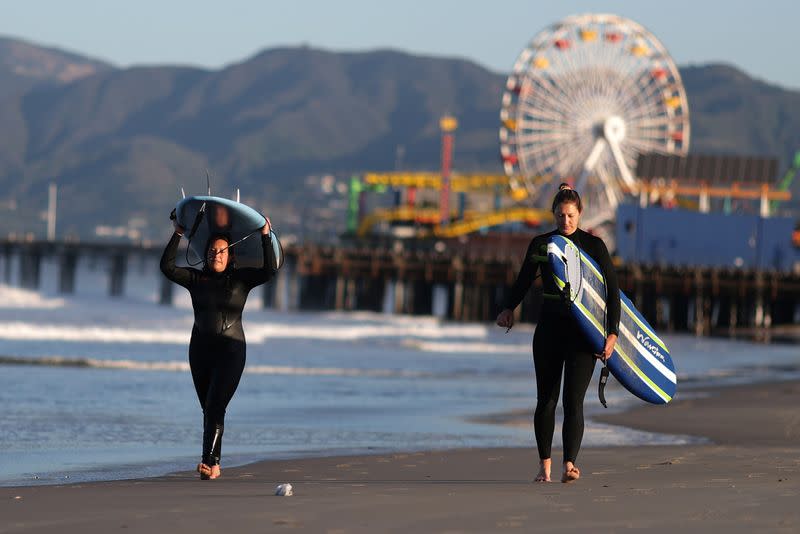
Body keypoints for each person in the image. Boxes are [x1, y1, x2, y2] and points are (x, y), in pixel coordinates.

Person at [495, 184, 620, 483]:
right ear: (553, 214)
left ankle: (569, 465)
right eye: (561, 215)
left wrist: (612, 334)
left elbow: (612, 293)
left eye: (571, 215)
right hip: (549, 331)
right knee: (546, 401)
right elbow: (524, 280)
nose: (566, 221)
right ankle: (545, 466)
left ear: (580, 214)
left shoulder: (594, 246)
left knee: (573, 402)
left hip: (583, 335)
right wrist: (508, 308)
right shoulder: (541, 244)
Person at [161, 214, 279, 480]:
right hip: (200, 350)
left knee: (215, 405)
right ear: (206, 254)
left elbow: (269, 271)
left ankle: (208, 462)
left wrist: (265, 236)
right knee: (209, 408)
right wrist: (178, 233)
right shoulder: (195, 280)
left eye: (223, 251)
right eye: (213, 251)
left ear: (231, 256)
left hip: (231, 350)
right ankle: (215, 464)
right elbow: (167, 267)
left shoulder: (241, 280)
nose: (217, 254)